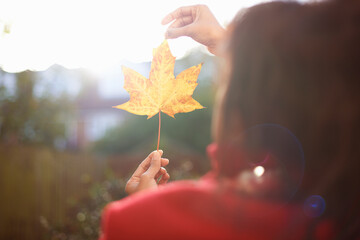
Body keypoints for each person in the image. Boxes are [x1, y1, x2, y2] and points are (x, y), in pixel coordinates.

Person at [100, 1, 360, 239]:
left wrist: (147, 211)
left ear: (239, 106)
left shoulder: (138, 222)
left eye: (224, 82)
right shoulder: (343, 206)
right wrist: (229, 44)